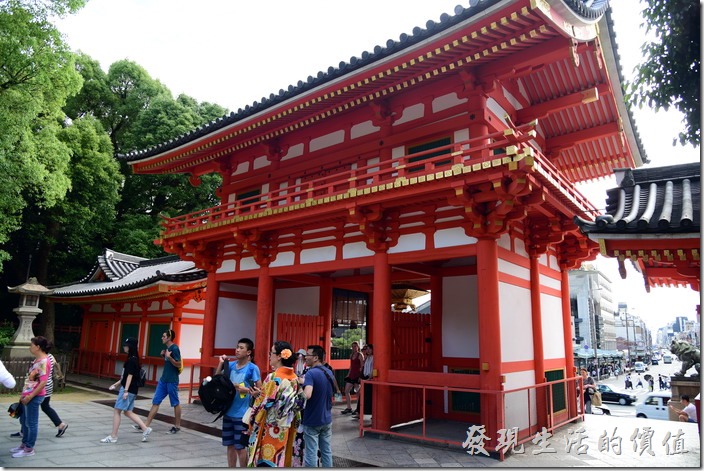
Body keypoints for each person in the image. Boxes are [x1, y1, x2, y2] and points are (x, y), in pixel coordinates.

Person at [246, 340, 306, 467]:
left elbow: (261, 405)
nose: (269, 356)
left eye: (271, 353)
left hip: (269, 428)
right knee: (280, 460)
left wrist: (252, 422)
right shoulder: (294, 378)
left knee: (267, 459)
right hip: (285, 427)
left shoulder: (273, 378)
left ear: (279, 356)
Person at [215, 338, 261, 467]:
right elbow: (217, 379)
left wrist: (244, 389)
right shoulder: (230, 366)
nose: (237, 350)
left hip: (242, 415)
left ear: (248, 352)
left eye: (241, 348)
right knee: (229, 445)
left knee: (240, 447)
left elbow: (260, 390)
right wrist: (220, 363)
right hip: (228, 411)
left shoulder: (253, 368)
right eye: (237, 347)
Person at [11, 343, 69, 439]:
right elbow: (55, 367)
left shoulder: (44, 359)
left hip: (42, 387)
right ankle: (60, 424)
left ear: (40, 347)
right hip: (46, 386)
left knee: (26, 407)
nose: (31, 347)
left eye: (33, 345)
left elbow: (41, 378)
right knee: (45, 407)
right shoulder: (49, 357)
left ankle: (24, 432)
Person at [100, 337, 152, 443]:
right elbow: (126, 377)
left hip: (128, 390)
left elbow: (129, 376)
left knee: (117, 410)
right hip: (132, 390)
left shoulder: (132, 360)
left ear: (130, 347)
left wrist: (125, 391)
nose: (124, 347)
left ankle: (113, 436)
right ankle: (145, 428)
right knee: (128, 412)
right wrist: (116, 384)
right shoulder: (134, 359)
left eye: (126, 345)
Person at [10, 336, 49, 458]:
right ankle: (24, 444)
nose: (30, 347)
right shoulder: (37, 360)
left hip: (34, 396)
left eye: (31, 345)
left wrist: (30, 396)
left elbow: (43, 382)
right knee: (25, 422)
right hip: (28, 395)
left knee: (31, 423)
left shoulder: (43, 361)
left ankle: (29, 448)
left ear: (38, 347)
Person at [138, 328, 182, 434]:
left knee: (175, 403)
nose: (161, 338)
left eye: (163, 336)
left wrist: (169, 357)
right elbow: (169, 362)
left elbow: (179, 364)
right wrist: (164, 356)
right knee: (156, 401)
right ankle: (145, 425)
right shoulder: (167, 349)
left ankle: (177, 426)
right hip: (163, 380)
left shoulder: (175, 348)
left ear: (169, 337)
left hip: (172, 380)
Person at [301, 345, 334, 467]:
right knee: (326, 451)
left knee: (311, 453)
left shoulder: (310, 373)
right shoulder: (329, 372)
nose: (305, 357)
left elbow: (307, 395)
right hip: (327, 418)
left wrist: (297, 395)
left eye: (308, 355)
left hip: (312, 419)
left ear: (315, 358)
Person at [341, 342, 363, 415]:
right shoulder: (351, 355)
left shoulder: (360, 355)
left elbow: (362, 366)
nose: (354, 348)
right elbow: (351, 366)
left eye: (355, 346)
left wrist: (360, 376)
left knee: (358, 393)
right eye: (353, 346)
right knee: (346, 390)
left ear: (358, 347)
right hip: (351, 375)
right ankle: (349, 407)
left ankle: (358, 408)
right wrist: (348, 374)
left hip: (357, 375)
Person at [352, 344, 373, 419]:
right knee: (362, 396)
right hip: (365, 377)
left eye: (369, 349)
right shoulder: (367, 358)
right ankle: (359, 413)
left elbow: (373, 369)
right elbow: (364, 368)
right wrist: (361, 377)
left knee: (370, 397)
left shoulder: (374, 358)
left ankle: (373, 413)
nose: (367, 350)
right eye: (366, 349)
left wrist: (369, 378)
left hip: (370, 378)